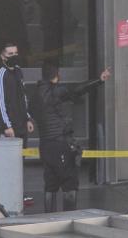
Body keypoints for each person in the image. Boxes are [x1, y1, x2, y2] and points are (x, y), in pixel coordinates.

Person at [34, 61, 111, 212]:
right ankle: (68, 218)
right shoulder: (56, 91)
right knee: (69, 181)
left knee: (50, 183)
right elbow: (78, 90)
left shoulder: (35, 95)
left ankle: (49, 219)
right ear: (56, 76)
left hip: (45, 145)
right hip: (60, 143)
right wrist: (99, 80)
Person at [0, 40, 34, 142]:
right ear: (2, 56)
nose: (14, 56)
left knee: (21, 157)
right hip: (8, 129)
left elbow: (23, 97)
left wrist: (28, 119)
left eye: (15, 53)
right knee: (8, 157)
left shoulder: (18, 70)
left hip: (21, 126)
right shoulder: (0, 74)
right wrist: (6, 126)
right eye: (10, 54)